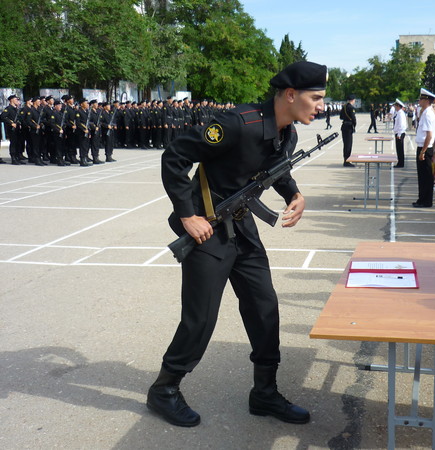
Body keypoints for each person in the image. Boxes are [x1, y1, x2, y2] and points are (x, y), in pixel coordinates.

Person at [146, 61, 327, 428]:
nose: (321, 105)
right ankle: (164, 390)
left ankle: (264, 392)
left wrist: (294, 193)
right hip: (206, 229)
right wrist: (186, 214)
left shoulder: (287, 132)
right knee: (202, 317)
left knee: (264, 307)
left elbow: (277, 168)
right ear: (291, 95)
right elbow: (176, 156)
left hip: (242, 226)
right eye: (317, 98)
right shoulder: (235, 124)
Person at [413, 88, 435, 208]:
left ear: (427, 100)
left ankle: (426, 201)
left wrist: (423, 151)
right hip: (422, 147)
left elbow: (429, 135)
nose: (420, 100)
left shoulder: (428, 114)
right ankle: (421, 199)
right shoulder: (425, 112)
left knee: (426, 176)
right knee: (422, 176)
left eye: (422, 98)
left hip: (425, 148)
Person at [340, 94, 356, 167]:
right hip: (349, 127)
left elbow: (341, 117)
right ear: (352, 100)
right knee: (349, 144)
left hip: (344, 126)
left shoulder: (344, 107)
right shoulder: (351, 107)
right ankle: (347, 161)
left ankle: (345, 160)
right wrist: (354, 125)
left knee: (345, 144)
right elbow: (353, 118)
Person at [391, 100, 407, 168]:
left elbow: (402, 125)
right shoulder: (399, 113)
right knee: (399, 149)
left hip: (400, 133)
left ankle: (400, 163)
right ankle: (400, 162)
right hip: (398, 133)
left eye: (395, 105)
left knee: (400, 149)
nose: (394, 107)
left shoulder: (401, 113)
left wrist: (399, 134)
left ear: (398, 106)